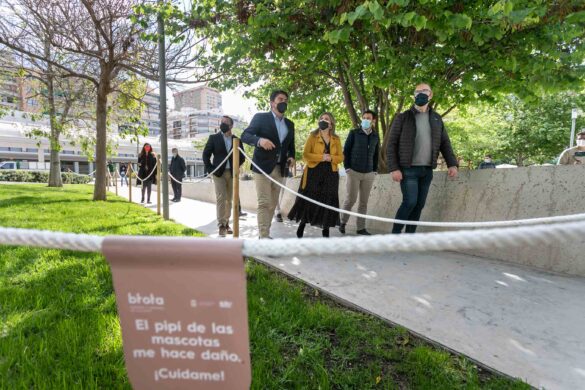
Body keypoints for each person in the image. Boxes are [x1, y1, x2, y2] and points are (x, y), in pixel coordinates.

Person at [387, 82, 458, 234]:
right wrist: (394, 168)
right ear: (414, 95)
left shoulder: (437, 119)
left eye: (424, 91)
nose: (420, 94)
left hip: (427, 170)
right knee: (410, 202)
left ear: (430, 94)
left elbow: (445, 143)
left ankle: (410, 237)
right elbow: (391, 144)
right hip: (408, 169)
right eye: (417, 91)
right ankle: (394, 236)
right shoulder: (402, 117)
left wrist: (452, 164)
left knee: (419, 205)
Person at [241, 90, 295, 239]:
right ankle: (264, 236)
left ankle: (265, 233)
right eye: (280, 99)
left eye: (286, 99)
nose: (283, 101)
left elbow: (291, 146)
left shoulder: (290, 124)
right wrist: (260, 141)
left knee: (272, 204)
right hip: (262, 168)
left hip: (279, 169)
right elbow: (245, 135)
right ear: (272, 103)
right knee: (264, 202)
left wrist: (291, 157)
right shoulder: (260, 118)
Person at [288, 113, 343, 238]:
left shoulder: (336, 138)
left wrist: (331, 158)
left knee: (328, 200)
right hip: (314, 172)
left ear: (331, 124)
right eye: (321, 119)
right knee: (309, 199)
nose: (323, 120)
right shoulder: (312, 136)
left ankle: (326, 230)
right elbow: (306, 155)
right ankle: (302, 224)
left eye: (326, 119)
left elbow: (341, 157)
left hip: (331, 173)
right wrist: (322, 157)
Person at [339, 110, 380, 235]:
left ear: (373, 121)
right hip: (354, 172)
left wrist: (374, 170)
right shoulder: (354, 133)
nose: (365, 120)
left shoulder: (376, 136)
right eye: (364, 118)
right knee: (351, 199)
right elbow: (346, 151)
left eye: (368, 118)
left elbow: (376, 154)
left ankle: (360, 228)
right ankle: (342, 222)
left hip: (369, 174)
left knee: (363, 202)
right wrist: (347, 168)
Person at [203, 115, 244, 237]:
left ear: (231, 125)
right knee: (221, 197)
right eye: (222, 122)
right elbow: (206, 155)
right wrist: (211, 169)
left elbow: (242, 156)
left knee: (229, 200)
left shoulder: (236, 139)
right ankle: (221, 225)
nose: (223, 124)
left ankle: (226, 223)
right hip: (218, 173)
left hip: (231, 174)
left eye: (226, 122)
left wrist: (236, 167)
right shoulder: (213, 138)